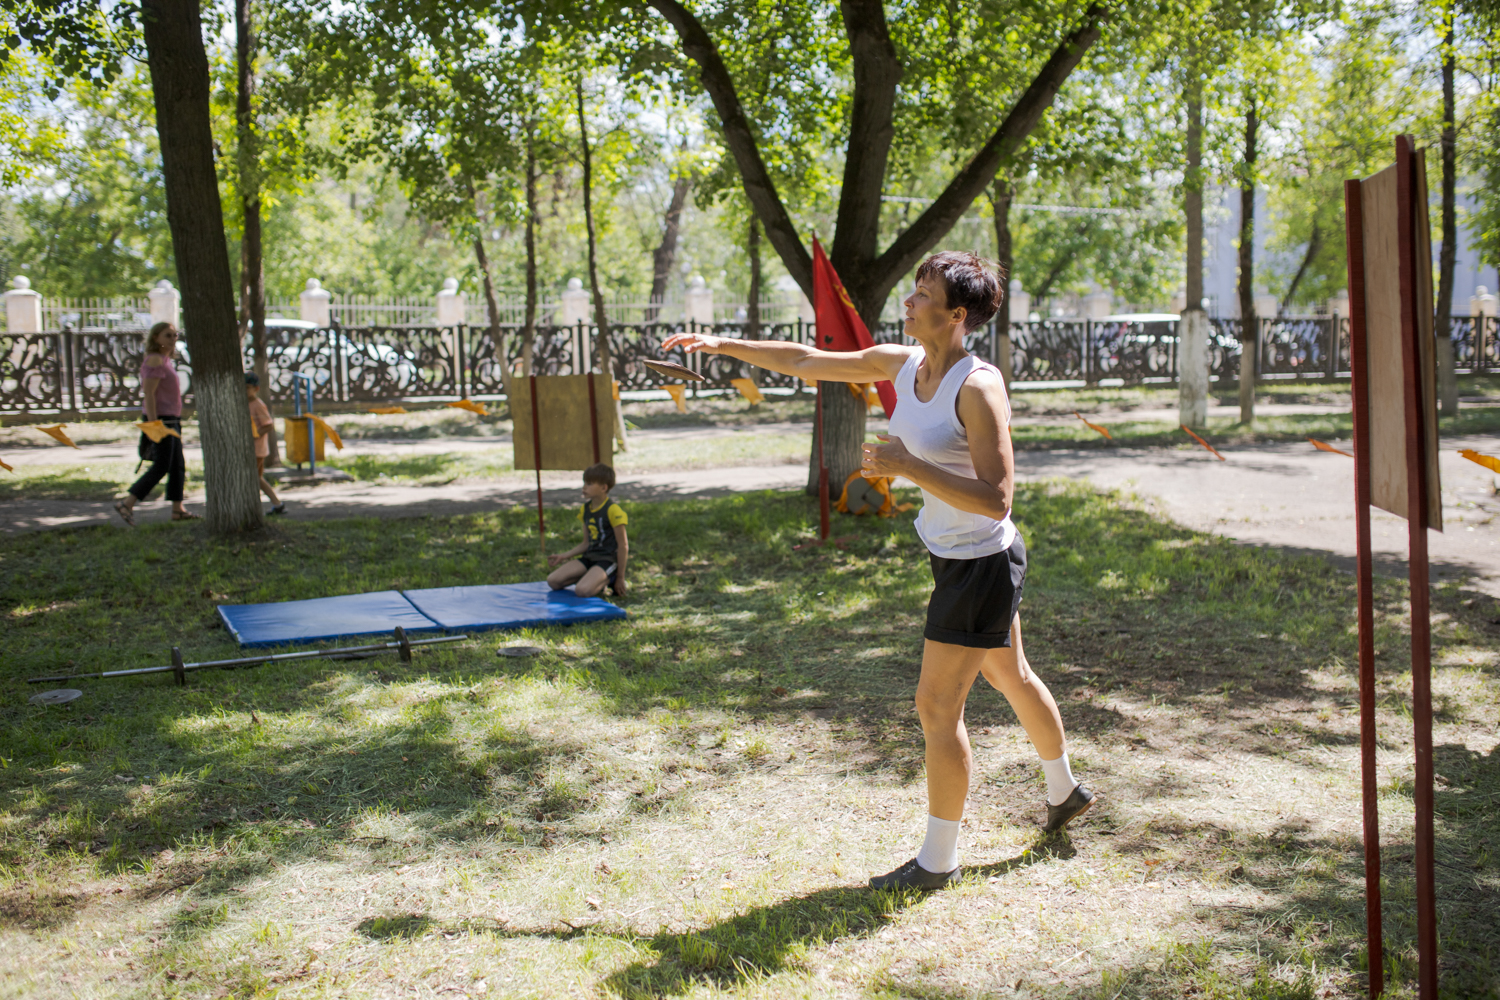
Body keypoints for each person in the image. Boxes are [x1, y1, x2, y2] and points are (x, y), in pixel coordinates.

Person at [663, 251, 1095, 891]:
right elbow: (808, 362)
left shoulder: (977, 387)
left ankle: (937, 861)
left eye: (924, 294)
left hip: (980, 563)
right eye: (914, 289)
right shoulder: (904, 363)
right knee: (1011, 673)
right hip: (963, 557)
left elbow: (998, 496)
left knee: (936, 707)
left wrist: (906, 466)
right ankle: (1066, 792)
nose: (910, 301)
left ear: (956, 314)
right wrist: (722, 343)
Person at [115, 322, 196, 525]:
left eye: (174, 335)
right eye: (167, 335)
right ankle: (127, 503)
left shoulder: (165, 360)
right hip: (160, 419)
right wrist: (152, 425)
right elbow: (149, 395)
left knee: (177, 464)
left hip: (171, 418)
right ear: (155, 338)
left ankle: (178, 509)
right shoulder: (154, 360)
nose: (172, 338)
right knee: (161, 466)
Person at [546, 463, 629, 598]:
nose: (584, 487)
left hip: (607, 560)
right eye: (584, 483)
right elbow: (586, 543)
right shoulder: (585, 509)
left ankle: (609, 578)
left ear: (604, 487)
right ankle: (592, 576)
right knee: (553, 581)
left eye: (589, 484)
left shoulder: (613, 510)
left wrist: (620, 577)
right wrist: (564, 556)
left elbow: (623, 546)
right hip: (590, 558)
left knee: (582, 591)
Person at [246, 373, 286, 516]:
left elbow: (268, 425)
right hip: (249, 449)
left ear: (256, 388)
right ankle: (276, 504)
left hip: (257, 448)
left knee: (256, 478)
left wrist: (254, 435)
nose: (244, 391)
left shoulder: (258, 405)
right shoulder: (246, 404)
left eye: (247, 388)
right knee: (256, 478)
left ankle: (277, 503)